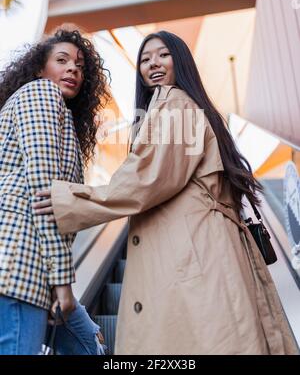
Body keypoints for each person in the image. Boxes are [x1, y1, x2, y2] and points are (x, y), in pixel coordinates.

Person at [34, 31, 298, 355]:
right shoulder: (182, 107)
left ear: (181, 60)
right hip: (202, 250)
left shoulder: (175, 105)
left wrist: (70, 201)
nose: (153, 63)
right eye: (145, 59)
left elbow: (146, 179)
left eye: (162, 55)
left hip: (195, 255)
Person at [0, 28, 109, 355]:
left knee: (91, 347)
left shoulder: (58, 117)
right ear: (38, 69)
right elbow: (44, 195)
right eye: (61, 60)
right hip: (17, 269)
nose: (73, 69)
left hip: (32, 270)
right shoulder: (41, 95)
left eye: (79, 65)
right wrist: (62, 283)